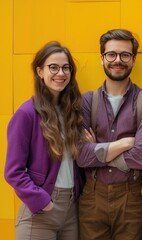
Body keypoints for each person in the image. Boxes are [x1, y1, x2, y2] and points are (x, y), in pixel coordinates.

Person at [76, 29, 142, 240]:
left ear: (134, 59)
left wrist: (99, 153)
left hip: (131, 197)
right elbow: (82, 157)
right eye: (111, 54)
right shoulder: (86, 101)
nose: (117, 60)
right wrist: (124, 143)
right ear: (102, 59)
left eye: (125, 55)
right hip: (92, 197)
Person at [4, 41, 84, 240]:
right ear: (40, 71)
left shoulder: (72, 111)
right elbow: (13, 171)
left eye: (66, 68)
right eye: (53, 67)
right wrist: (43, 200)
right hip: (40, 211)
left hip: (71, 210)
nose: (61, 73)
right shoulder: (26, 113)